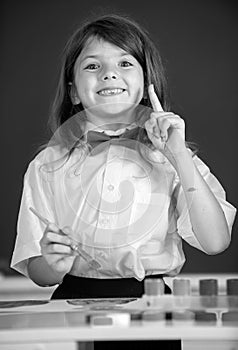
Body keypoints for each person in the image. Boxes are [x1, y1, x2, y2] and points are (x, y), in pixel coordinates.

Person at [11, 13, 236, 350]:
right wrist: (53, 265)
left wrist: (179, 157)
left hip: (154, 306)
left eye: (125, 62)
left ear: (148, 85)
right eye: (92, 66)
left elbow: (216, 241)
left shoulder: (175, 160)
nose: (109, 73)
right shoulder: (47, 165)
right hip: (73, 305)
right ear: (73, 92)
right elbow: (39, 272)